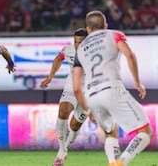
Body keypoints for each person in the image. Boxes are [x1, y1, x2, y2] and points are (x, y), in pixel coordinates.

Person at [72, 10, 153, 166]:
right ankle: (122, 162)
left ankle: (112, 163)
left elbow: (76, 87)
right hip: (111, 88)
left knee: (111, 132)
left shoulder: (80, 49)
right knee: (146, 132)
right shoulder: (114, 34)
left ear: (88, 29)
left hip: (91, 95)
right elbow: (129, 54)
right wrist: (137, 83)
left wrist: (87, 107)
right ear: (106, 25)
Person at [39, 28, 88, 166]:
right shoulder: (68, 50)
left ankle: (66, 147)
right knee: (63, 111)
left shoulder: (96, 54)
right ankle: (61, 150)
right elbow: (58, 58)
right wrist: (50, 77)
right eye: (76, 42)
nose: (78, 45)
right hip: (71, 87)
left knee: (75, 124)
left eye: (82, 42)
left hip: (88, 93)